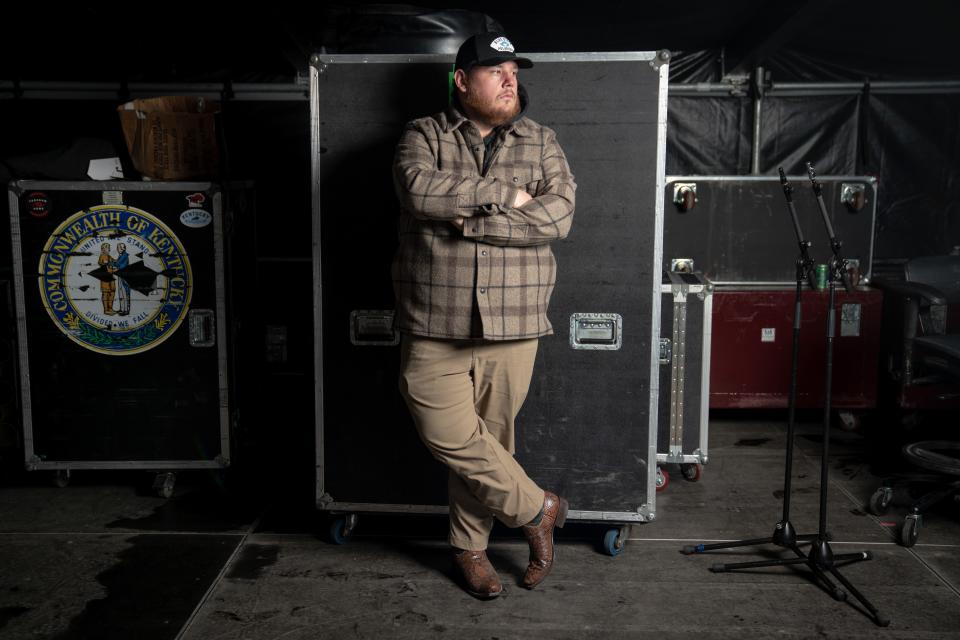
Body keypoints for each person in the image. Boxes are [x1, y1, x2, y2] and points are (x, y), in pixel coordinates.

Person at [392, 31, 576, 599]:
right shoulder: (423, 134)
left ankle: (469, 549)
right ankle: (537, 509)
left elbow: (558, 216)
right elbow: (419, 191)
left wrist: (474, 219)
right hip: (433, 319)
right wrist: (509, 195)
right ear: (462, 80)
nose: (509, 79)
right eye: (495, 70)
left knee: (491, 440)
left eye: (514, 70)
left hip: (515, 322)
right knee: (445, 428)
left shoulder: (542, 141)